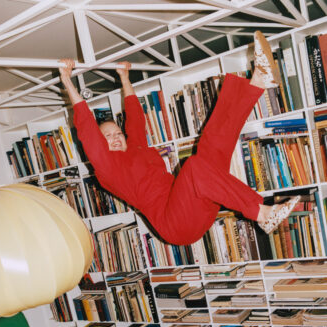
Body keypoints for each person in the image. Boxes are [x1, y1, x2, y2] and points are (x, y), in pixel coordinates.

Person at [59, 31, 300, 246]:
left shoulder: (137, 149)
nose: (115, 138)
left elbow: (134, 118)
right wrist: (67, 79)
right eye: (107, 137)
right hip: (173, 224)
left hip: (192, 205)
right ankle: (263, 214)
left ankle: (257, 82)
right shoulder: (108, 168)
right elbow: (86, 128)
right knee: (193, 166)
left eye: (117, 133)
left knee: (211, 145)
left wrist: (124, 78)